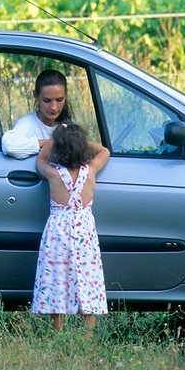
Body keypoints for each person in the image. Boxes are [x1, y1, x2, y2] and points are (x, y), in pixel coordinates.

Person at [31, 122, 110, 332]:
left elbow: (40, 159)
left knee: (57, 275)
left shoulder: (53, 174)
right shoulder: (91, 170)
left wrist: (54, 139)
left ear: (58, 147)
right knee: (87, 277)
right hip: (84, 230)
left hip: (59, 231)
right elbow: (104, 150)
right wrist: (80, 140)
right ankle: (88, 333)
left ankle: (57, 330)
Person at [1, 69, 71, 158]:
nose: (53, 107)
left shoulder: (69, 124)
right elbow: (9, 146)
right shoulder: (27, 123)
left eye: (59, 100)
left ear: (66, 96)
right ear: (36, 96)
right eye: (47, 100)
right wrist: (48, 143)